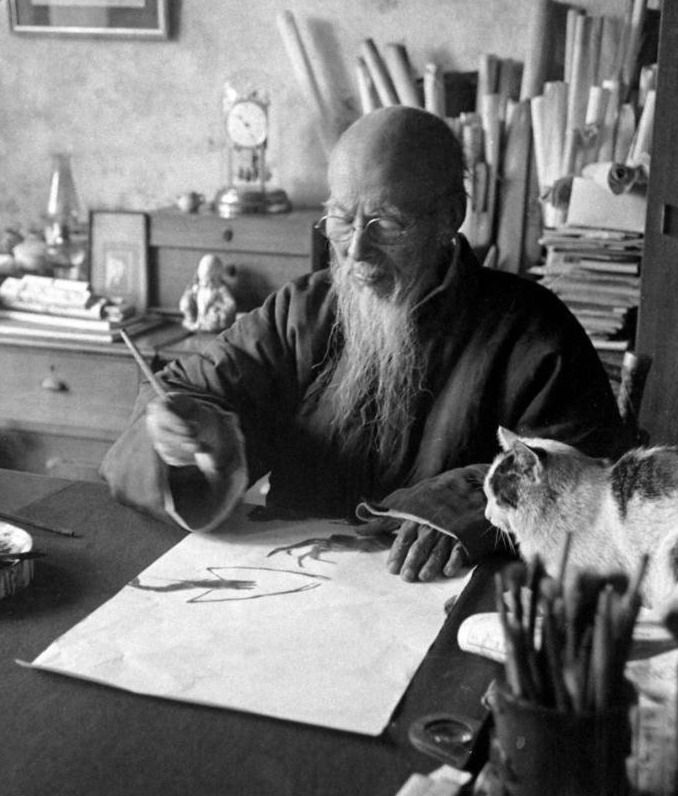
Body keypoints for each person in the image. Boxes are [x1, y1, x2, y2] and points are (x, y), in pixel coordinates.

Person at [101, 106, 630, 582]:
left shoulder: (534, 333)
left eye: (386, 224)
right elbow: (183, 391)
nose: (356, 250)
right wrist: (191, 432)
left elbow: (588, 482)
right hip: (290, 584)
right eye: (341, 219)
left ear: (451, 215)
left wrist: (462, 506)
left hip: (443, 601)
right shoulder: (301, 311)